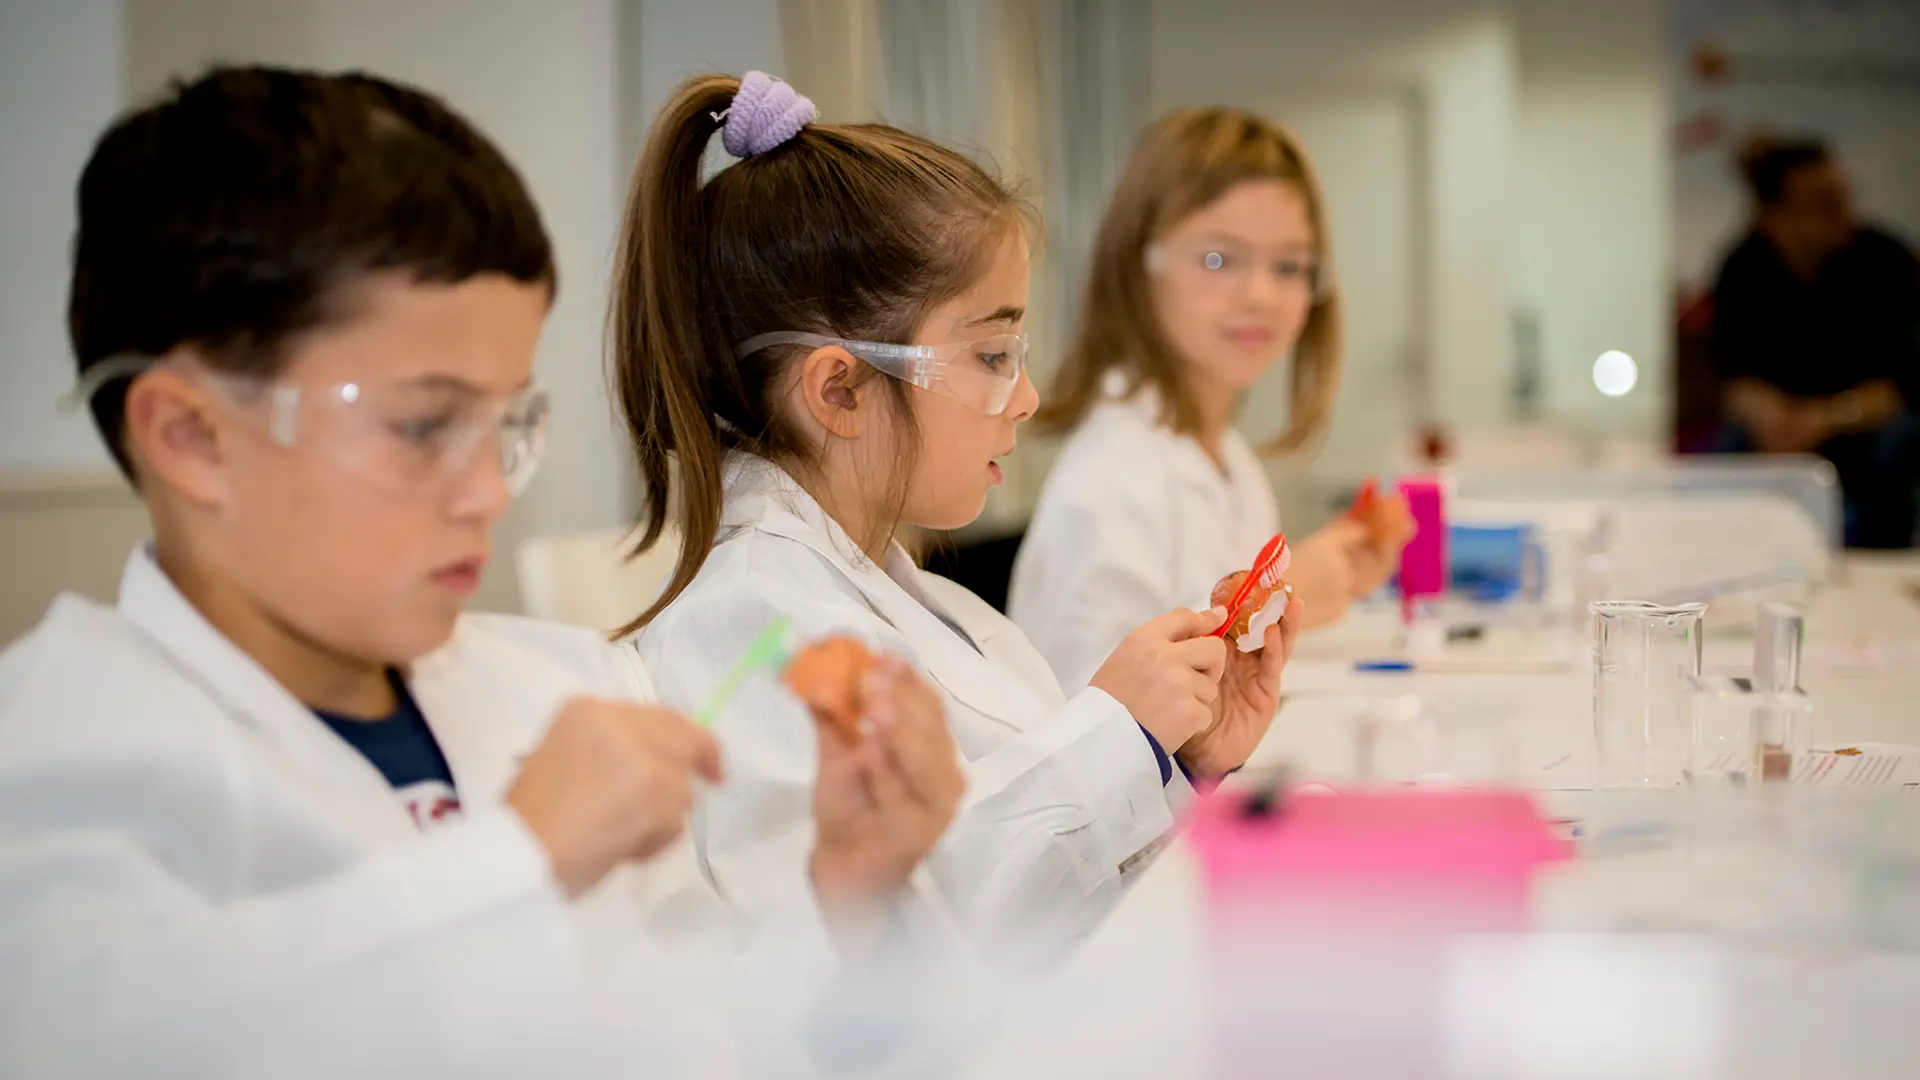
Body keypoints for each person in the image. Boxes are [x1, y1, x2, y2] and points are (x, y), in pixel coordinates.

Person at [0, 65, 966, 1079]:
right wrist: (519, 862)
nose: (485, 495)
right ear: (194, 438)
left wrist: (843, 896)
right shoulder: (56, 754)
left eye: (505, 424)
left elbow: (699, 1041)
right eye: (423, 424)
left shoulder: (563, 689)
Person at [614, 72, 1304, 967]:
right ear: (842, 389)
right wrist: (1119, 735)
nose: (1027, 398)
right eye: (991, 356)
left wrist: (1178, 761)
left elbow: (1041, 894)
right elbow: (864, 962)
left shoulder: (915, 601)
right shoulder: (752, 628)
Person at [1007, 107, 1411, 694]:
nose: (1260, 294)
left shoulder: (1224, 454)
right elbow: (1091, 723)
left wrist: (1310, 591)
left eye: (1290, 265)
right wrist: (1283, 598)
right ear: (1140, 267)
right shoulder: (1109, 482)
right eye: (1219, 259)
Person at [1713, 136, 1920, 549]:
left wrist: (1824, 418)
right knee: (1724, 455)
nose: (1845, 213)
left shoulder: (1887, 260)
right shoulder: (1744, 266)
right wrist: (1769, 416)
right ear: (1775, 216)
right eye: (1826, 203)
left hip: (1862, 427)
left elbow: (1903, 385)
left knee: (1898, 443)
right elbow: (1732, 376)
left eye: (1844, 198)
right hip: (1780, 432)